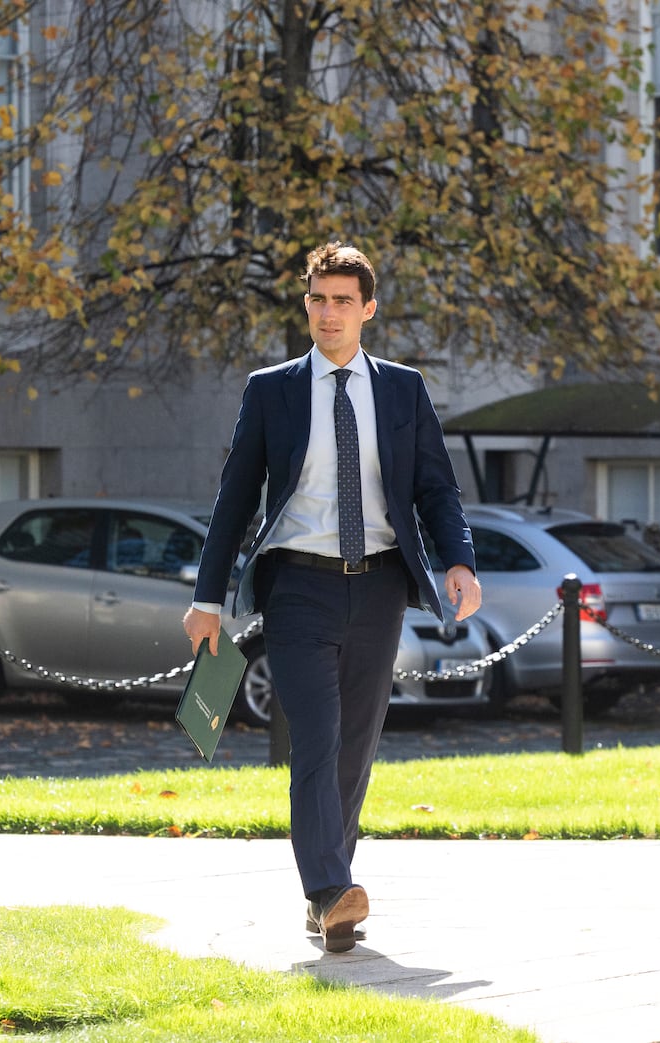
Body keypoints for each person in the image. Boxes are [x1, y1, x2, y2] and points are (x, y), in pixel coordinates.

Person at [183, 241, 481, 952]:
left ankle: (329, 894)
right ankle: (328, 888)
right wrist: (207, 596)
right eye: (318, 298)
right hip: (297, 586)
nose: (328, 312)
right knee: (315, 737)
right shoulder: (272, 390)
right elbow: (233, 501)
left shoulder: (404, 389)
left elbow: (437, 488)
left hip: (379, 584)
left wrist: (459, 562)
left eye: (343, 300)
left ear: (368, 308)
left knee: (356, 745)